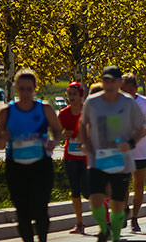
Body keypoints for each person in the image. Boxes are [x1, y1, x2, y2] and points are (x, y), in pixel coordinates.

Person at [79, 66, 146, 242]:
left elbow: (142, 128)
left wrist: (130, 143)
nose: (108, 84)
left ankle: (115, 235)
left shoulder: (128, 103)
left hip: (121, 159)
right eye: (105, 80)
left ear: (119, 83)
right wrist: (85, 144)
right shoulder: (92, 102)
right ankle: (103, 229)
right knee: (95, 198)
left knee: (118, 204)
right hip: (98, 158)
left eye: (112, 81)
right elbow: (82, 124)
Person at [0, 69, 63, 242]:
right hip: (16, 166)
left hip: (41, 165)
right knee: (22, 211)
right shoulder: (6, 112)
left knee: (40, 209)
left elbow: (57, 131)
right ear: (16, 88)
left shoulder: (44, 109)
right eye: (21, 88)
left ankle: (43, 238)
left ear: (34, 89)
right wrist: (4, 138)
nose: (25, 93)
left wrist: (53, 142)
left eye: (28, 89)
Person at [58, 82, 89, 235]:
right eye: (69, 94)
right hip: (70, 156)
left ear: (81, 95)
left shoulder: (88, 113)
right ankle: (79, 223)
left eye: (74, 95)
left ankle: (108, 212)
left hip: (87, 157)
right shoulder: (63, 114)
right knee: (75, 190)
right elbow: (57, 135)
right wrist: (64, 136)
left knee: (88, 191)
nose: (71, 98)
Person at [120, 74, 146, 233]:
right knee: (123, 185)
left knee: (139, 186)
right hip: (123, 152)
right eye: (124, 90)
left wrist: (144, 133)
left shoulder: (144, 102)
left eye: (130, 90)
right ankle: (124, 208)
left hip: (140, 151)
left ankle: (135, 218)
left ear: (136, 89)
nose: (127, 94)